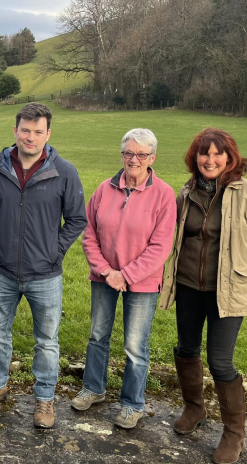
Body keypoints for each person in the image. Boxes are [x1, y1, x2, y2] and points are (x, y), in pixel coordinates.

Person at [160, 128, 247, 464]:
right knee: (186, 349)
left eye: (217, 154)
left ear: (230, 157)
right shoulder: (186, 194)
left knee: (221, 361)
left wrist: (240, 272)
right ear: (194, 158)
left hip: (229, 291)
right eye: (203, 154)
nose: (210, 160)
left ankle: (233, 433)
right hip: (187, 286)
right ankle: (195, 408)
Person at [0, 102, 87, 428]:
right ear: (15, 131)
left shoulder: (64, 171)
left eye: (38, 131)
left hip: (45, 275)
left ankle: (45, 399)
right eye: (25, 130)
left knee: (47, 341)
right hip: (2, 271)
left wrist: (56, 250)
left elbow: (77, 218)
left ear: (48, 134)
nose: (31, 137)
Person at [71, 128, 176, 429]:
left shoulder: (164, 195)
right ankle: (93, 388)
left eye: (141, 154)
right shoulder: (104, 189)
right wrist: (107, 271)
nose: (134, 159)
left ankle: (132, 404)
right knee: (97, 336)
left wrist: (126, 275)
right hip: (104, 277)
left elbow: (161, 247)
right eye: (129, 153)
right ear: (122, 155)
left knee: (135, 345)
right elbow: (88, 233)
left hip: (142, 282)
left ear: (152, 158)